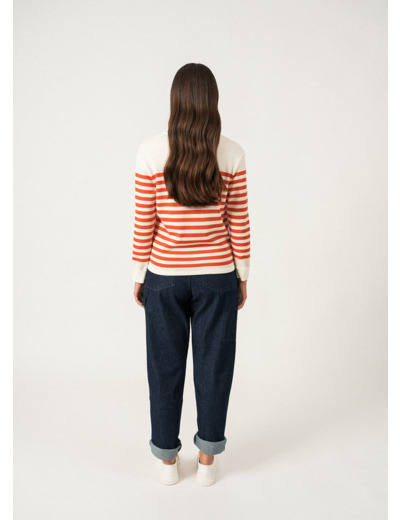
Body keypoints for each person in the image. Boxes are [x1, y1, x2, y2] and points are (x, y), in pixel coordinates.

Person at [132, 63, 250, 486]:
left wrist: (139, 273)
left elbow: (145, 221)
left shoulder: (150, 151)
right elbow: (238, 221)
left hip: (163, 274)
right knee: (214, 367)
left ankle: (167, 463)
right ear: (212, 101)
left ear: (176, 101)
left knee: (163, 368)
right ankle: (207, 462)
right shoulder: (232, 153)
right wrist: (242, 275)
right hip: (218, 276)